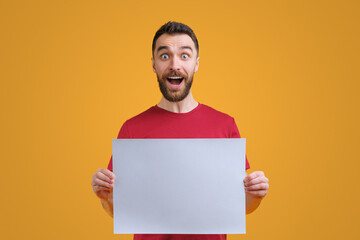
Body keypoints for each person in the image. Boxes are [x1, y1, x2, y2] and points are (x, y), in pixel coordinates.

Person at [91, 21, 269, 240]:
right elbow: (122, 211)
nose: (174, 65)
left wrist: (256, 195)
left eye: (184, 55)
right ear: (154, 64)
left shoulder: (225, 125)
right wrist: (105, 198)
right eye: (164, 56)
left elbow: (239, 207)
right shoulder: (132, 129)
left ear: (196, 64)